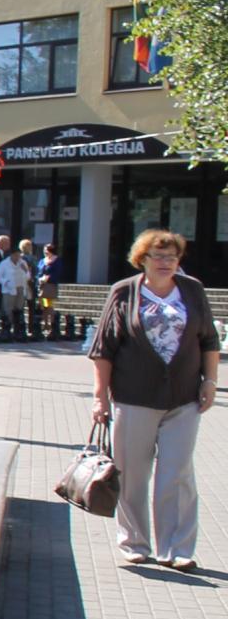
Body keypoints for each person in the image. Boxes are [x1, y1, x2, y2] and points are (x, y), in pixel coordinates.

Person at [87, 229, 219, 570]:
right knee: (132, 473)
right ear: (142, 259)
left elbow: (209, 340)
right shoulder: (124, 292)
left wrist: (211, 381)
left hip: (184, 398)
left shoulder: (192, 290)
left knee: (177, 473)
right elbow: (103, 349)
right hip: (133, 397)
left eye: (172, 257)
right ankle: (134, 542)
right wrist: (100, 398)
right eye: (158, 256)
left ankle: (176, 548)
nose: (166, 262)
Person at [0, 245, 32, 344]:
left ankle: (17, 330)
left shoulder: (23, 262)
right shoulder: (4, 263)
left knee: (19, 309)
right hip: (9, 289)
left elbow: (28, 277)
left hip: (20, 287)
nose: (18, 257)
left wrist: (26, 270)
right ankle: (7, 329)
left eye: (19, 255)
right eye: (16, 255)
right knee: (8, 309)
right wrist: (6, 282)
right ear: (11, 255)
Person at [37, 244, 63, 338]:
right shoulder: (42, 261)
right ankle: (45, 324)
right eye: (44, 250)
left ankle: (52, 325)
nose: (45, 252)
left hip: (50, 287)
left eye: (47, 250)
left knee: (49, 306)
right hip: (42, 287)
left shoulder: (57, 260)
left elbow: (57, 273)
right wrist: (40, 278)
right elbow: (38, 272)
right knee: (44, 306)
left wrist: (48, 278)